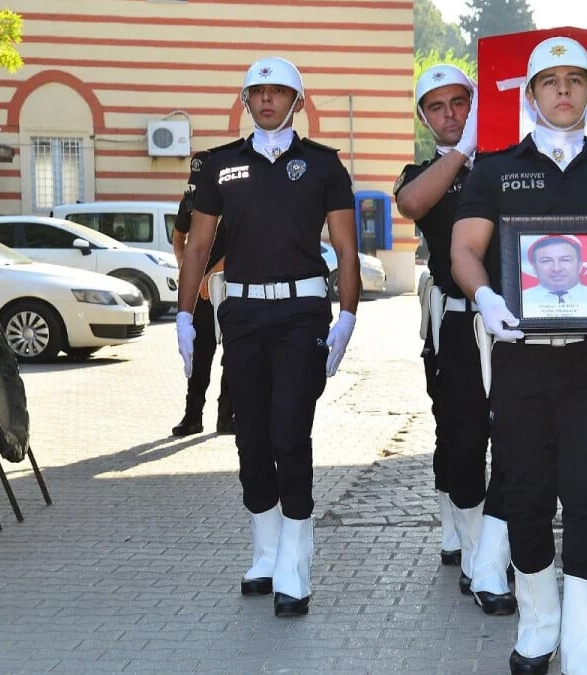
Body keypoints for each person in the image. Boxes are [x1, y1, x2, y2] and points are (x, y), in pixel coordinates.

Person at [451, 36, 587, 675]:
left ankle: (584, 641)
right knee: (527, 494)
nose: (563, 90)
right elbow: (464, 249)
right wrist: (483, 294)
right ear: (530, 93)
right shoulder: (494, 171)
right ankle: (538, 626)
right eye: (550, 81)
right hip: (521, 363)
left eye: (575, 80)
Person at [175, 55, 360, 619]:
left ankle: (295, 564)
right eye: (257, 92)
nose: (267, 100)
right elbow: (198, 248)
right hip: (243, 317)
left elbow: (347, 248)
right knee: (249, 436)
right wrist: (185, 315)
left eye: (279, 92)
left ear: (296, 102)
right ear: (245, 101)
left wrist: (348, 315)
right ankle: (265, 550)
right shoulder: (220, 165)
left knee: (288, 433)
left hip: (303, 313)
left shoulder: (324, 165)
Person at [394, 63, 516, 616]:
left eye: (460, 103)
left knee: (516, 440)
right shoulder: (424, 170)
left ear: (476, 104)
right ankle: (472, 550)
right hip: (457, 322)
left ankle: (497, 551)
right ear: (425, 118)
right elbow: (412, 204)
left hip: (511, 322)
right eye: (438, 107)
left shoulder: (507, 164)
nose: (450, 115)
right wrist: (462, 152)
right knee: (464, 441)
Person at [170, 143, 238, 437]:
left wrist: (208, 274)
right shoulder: (190, 199)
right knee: (201, 355)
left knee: (234, 355)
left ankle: (227, 418)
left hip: (232, 286)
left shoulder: (235, 200)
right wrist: (188, 270)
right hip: (201, 294)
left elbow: (241, 246)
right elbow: (178, 237)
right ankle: (192, 416)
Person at [520, 234, 587, 317]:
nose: (556, 269)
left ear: (580, 265)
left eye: (565, 260)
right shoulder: (520, 300)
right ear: (534, 267)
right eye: (546, 261)